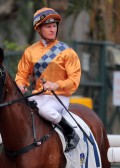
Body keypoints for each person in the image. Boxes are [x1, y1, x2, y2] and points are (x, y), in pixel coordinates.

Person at [15, 7, 82, 152]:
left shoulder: (67, 52)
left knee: (45, 111)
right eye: (48, 27)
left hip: (58, 98)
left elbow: (74, 81)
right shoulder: (30, 51)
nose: (52, 30)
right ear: (39, 29)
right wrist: (20, 84)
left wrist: (56, 85)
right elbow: (22, 74)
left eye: (54, 26)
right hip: (37, 96)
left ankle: (71, 133)